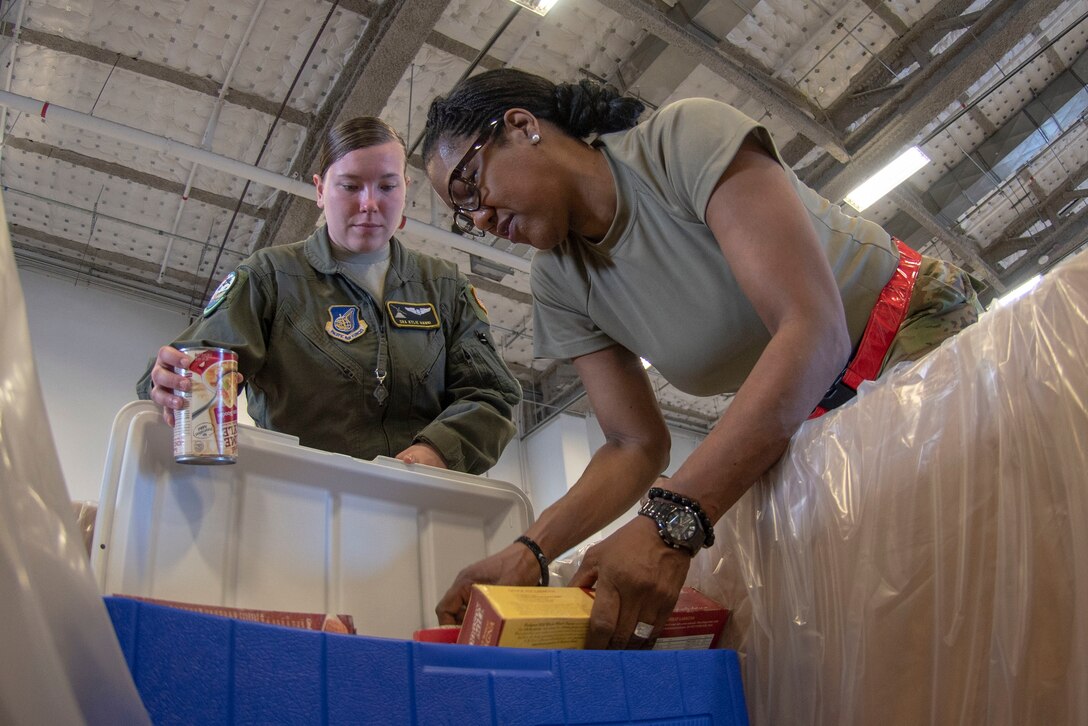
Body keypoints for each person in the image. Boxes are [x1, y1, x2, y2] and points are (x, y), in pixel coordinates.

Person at [421, 68, 983, 647]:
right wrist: (528, 552)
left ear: (521, 127)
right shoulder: (558, 284)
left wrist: (671, 521)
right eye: (464, 217)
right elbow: (634, 445)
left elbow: (812, 328)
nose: (480, 219)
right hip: (811, 417)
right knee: (886, 616)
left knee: (967, 580)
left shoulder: (681, 142)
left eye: (469, 186)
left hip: (913, 334)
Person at [139, 116, 522, 475]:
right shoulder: (270, 278)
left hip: (419, 505)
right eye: (351, 186)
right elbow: (191, 370)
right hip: (298, 502)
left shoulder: (445, 288)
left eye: (387, 186)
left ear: (406, 190)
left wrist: (438, 450)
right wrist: (169, 384)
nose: (369, 203)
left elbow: (492, 395)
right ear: (320, 190)